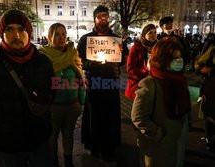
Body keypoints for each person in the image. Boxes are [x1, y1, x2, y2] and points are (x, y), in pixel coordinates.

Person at [0, 9, 54, 167]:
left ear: (28, 32)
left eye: (21, 29)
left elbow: (53, 90)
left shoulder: (44, 62)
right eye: (9, 29)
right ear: (1, 33)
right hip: (9, 143)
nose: (16, 35)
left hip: (39, 138)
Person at [132, 37, 191, 167]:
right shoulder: (150, 83)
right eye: (174, 57)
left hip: (176, 142)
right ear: (163, 59)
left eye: (180, 56)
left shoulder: (180, 80)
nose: (179, 60)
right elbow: (138, 117)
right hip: (157, 147)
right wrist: (158, 134)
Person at [77, 5, 126, 161]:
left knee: (111, 114)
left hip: (111, 81)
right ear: (95, 19)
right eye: (100, 16)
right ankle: (94, 145)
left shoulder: (115, 38)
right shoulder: (86, 39)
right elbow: (80, 62)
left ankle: (110, 145)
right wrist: (94, 64)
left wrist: (121, 54)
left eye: (106, 15)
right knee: (94, 114)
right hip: (94, 81)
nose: (103, 18)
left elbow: (122, 61)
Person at [39, 23, 85, 167]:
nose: (61, 38)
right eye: (57, 34)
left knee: (68, 134)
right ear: (49, 37)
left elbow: (80, 76)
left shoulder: (72, 52)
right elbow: (40, 83)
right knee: (52, 136)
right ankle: (54, 161)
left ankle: (68, 160)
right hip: (53, 106)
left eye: (63, 34)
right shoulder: (43, 56)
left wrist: (80, 100)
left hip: (72, 104)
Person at [125, 24, 157, 100]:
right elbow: (130, 69)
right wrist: (145, 70)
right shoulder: (136, 47)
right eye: (150, 33)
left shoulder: (158, 47)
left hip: (155, 84)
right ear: (144, 35)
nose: (153, 35)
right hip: (139, 85)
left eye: (155, 32)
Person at [195, 45, 215, 152]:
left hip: (209, 89)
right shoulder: (212, 51)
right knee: (209, 117)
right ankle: (209, 140)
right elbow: (199, 68)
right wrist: (208, 68)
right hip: (210, 91)